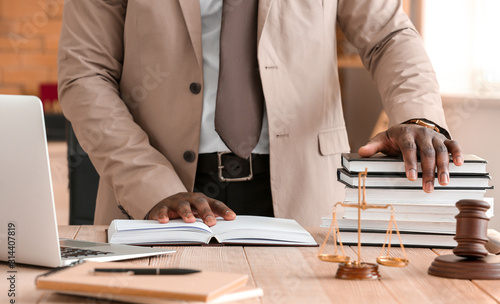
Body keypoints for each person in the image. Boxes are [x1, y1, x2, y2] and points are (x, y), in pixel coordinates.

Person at [57, 0, 462, 228]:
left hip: (304, 195)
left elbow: (388, 35)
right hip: (162, 197)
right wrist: (151, 186)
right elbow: (85, 73)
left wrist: (418, 114)